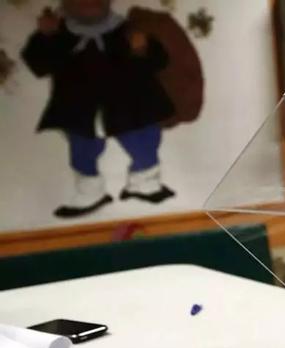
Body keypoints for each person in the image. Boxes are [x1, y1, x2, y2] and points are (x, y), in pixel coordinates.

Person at [22, 0, 177, 219]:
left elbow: (160, 61)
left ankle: (145, 185)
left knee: (144, 143)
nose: (89, 3)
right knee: (82, 150)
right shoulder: (60, 34)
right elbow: (38, 66)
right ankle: (89, 193)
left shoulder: (127, 29)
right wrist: (45, 36)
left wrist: (143, 49)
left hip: (131, 106)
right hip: (81, 109)